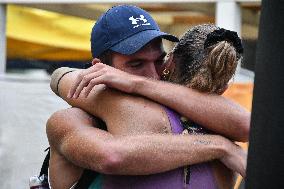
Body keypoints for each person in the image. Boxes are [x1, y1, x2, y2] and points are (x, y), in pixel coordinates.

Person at [47, 5, 250, 189]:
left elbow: (247, 126)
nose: (154, 75)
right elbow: (111, 156)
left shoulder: (201, 117)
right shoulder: (70, 120)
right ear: (100, 68)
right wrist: (220, 147)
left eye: (159, 60)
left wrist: (138, 84)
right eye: (136, 65)